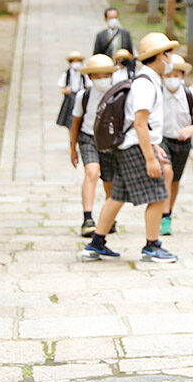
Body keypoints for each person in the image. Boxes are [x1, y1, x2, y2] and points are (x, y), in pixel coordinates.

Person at [82, 31, 180, 264]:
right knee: (158, 195)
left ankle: (96, 244)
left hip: (132, 145)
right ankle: (152, 245)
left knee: (117, 196)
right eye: (169, 54)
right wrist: (150, 158)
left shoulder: (148, 80)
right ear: (158, 56)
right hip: (136, 146)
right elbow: (139, 123)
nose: (171, 59)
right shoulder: (146, 83)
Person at [158, 53, 193, 236]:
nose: (172, 79)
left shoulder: (191, 95)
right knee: (166, 171)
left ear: (182, 76)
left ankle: (167, 214)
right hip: (162, 139)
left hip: (182, 142)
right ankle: (162, 214)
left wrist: (191, 130)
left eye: (176, 75)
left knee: (174, 181)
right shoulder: (157, 93)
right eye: (169, 75)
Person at [68, 54, 120, 238]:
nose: (102, 79)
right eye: (97, 76)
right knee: (92, 171)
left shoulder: (117, 94)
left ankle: (109, 217)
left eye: (106, 75)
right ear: (90, 77)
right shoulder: (84, 96)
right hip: (88, 137)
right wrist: (72, 146)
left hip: (108, 140)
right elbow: (75, 122)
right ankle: (88, 218)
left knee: (109, 181)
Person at [56, 50, 85, 129]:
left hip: (81, 96)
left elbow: (88, 85)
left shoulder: (83, 74)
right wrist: (66, 91)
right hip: (71, 98)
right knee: (70, 120)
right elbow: (62, 87)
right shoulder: (67, 74)